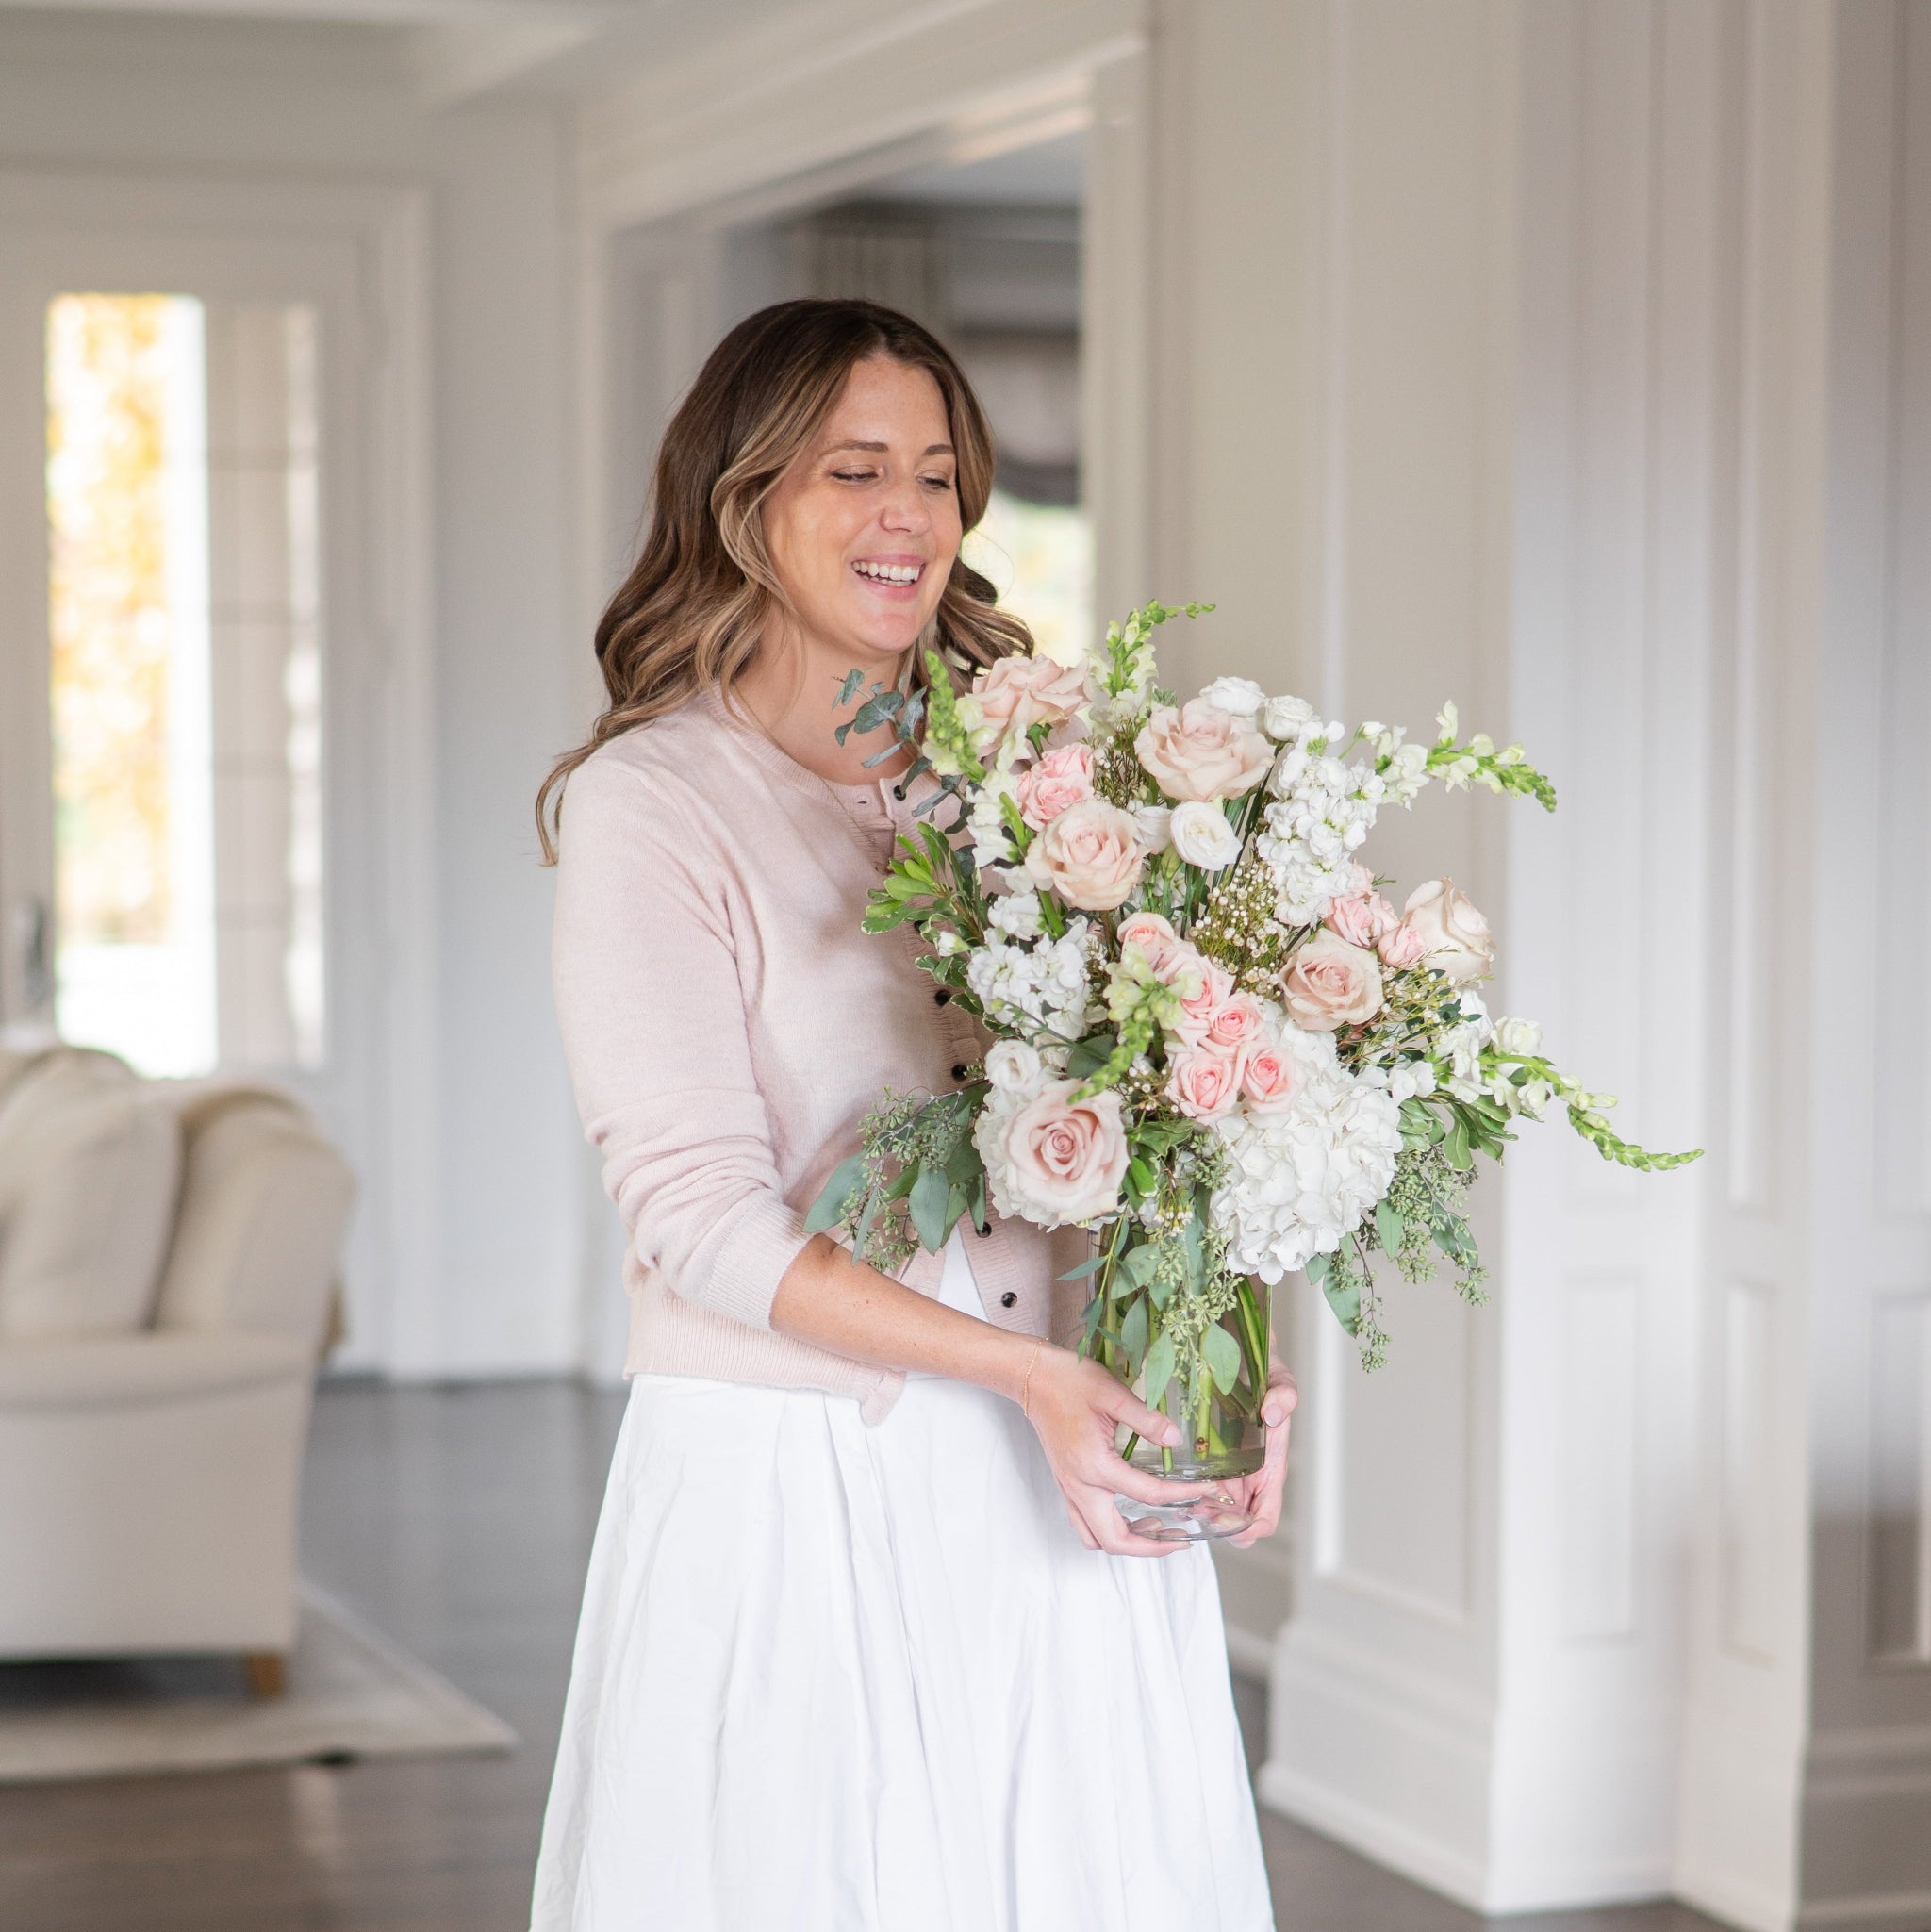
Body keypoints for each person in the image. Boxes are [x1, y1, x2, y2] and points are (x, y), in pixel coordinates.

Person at [530, 297, 1288, 1931]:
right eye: (853, 469)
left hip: (1064, 1473)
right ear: (744, 502)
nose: (910, 518)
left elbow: (1163, 1126)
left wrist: (1217, 1365)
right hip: (798, 1487)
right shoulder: (651, 806)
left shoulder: (1044, 779)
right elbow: (695, 1216)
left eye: (938, 476)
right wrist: (1026, 1374)